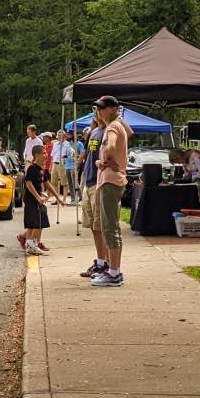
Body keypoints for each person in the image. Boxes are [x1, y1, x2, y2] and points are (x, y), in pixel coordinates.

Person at [92, 96, 131, 287]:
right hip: (113, 179)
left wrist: (105, 158)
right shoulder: (119, 124)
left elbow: (111, 145)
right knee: (112, 226)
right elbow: (129, 133)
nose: (99, 111)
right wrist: (105, 161)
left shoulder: (112, 127)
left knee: (109, 227)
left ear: (114, 109)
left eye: (103, 108)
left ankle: (114, 273)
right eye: (98, 108)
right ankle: (114, 270)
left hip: (110, 181)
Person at [77, 117, 109, 277]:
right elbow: (88, 154)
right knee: (93, 225)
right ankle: (101, 261)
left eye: (100, 108)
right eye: (94, 109)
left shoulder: (109, 131)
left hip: (99, 183)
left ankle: (108, 264)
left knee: (101, 225)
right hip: (89, 181)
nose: (96, 112)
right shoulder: (93, 132)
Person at [22, 145, 62, 255]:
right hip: (31, 199)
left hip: (39, 200)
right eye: (44, 153)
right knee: (32, 223)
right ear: (37, 155)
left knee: (40, 221)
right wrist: (37, 196)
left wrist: (57, 197)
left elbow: (46, 183)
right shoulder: (32, 168)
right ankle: (30, 244)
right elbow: (29, 184)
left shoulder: (42, 170)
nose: (46, 155)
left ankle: (32, 243)